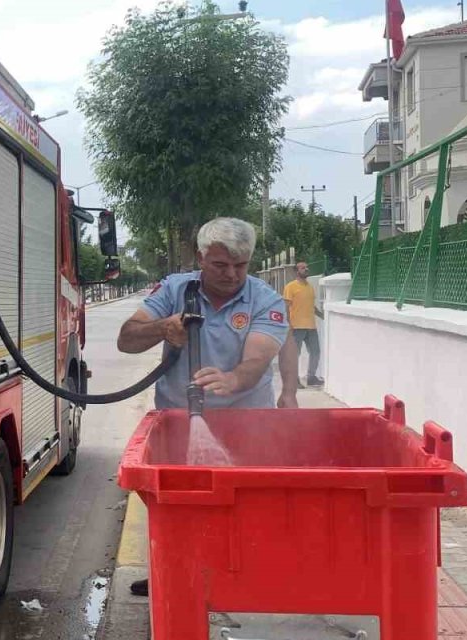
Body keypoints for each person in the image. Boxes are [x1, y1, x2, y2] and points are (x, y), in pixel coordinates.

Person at [117, 217, 292, 598]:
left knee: (244, 503)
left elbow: (256, 361)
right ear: (201, 257)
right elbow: (127, 339)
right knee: (179, 505)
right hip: (180, 420)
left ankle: (241, 577)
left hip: (246, 422)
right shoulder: (175, 290)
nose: (232, 274)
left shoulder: (266, 300)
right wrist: (163, 328)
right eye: (220, 265)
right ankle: (174, 572)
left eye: (241, 265)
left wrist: (233, 380)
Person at [282, 262, 324, 387]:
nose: (306, 269)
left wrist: (323, 316)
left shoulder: (310, 287)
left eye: (306, 267)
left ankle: (311, 377)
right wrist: (288, 324)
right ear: (297, 271)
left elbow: (312, 306)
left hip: (311, 326)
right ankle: (294, 380)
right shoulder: (290, 287)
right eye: (303, 268)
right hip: (296, 327)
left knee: (316, 352)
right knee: (295, 355)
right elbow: (285, 306)